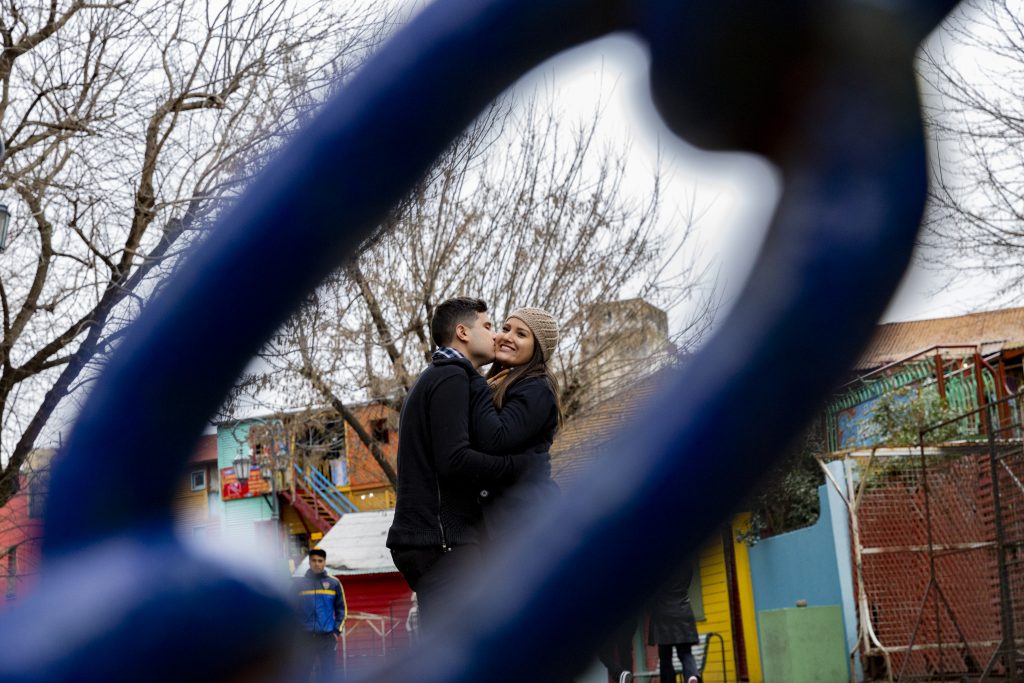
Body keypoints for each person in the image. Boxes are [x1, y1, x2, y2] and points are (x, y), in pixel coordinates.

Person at [386, 297, 544, 627]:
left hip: (433, 539)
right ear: (463, 332)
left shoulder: (440, 377)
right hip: (444, 540)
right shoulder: (452, 377)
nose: (496, 336)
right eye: (488, 326)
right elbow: (455, 460)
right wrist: (521, 466)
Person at [466, 307, 563, 538]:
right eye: (506, 329)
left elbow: (496, 439)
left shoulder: (536, 389)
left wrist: (474, 380)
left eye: (521, 334)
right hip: (499, 519)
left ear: (538, 349)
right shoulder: (498, 382)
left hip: (526, 520)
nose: (507, 337)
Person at [296, 548, 346, 683]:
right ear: (309, 562)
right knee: (302, 674)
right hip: (305, 638)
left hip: (327, 638)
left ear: (324, 562)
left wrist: (337, 630)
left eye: (320, 561)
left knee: (328, 675)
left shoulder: (334, 583)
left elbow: (341, 608)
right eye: (313, 561)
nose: (317, 564)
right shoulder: (299, 584)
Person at [648, 560, 700, 683]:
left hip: (663, 615)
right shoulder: (686, 563)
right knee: (686, 653)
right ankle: (691, 676)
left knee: (665, 658)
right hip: (683, 611)